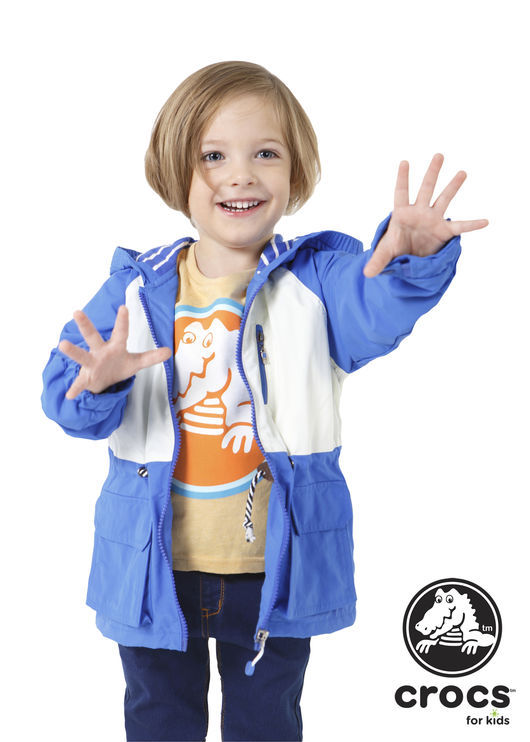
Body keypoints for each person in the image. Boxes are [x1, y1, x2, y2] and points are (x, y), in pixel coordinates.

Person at [41, 60, 488, 742]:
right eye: (213, 156)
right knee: (157, 720)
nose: (241, 175)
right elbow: (65, 396)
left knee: (267, 723)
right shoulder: (135, 288)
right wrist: (100, 381)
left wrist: (412, 262)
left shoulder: (319, 280)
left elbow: (377, 307)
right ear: (174, 170)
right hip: (154, 565)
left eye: (266, 154)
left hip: (273, 569)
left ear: (296, 171)